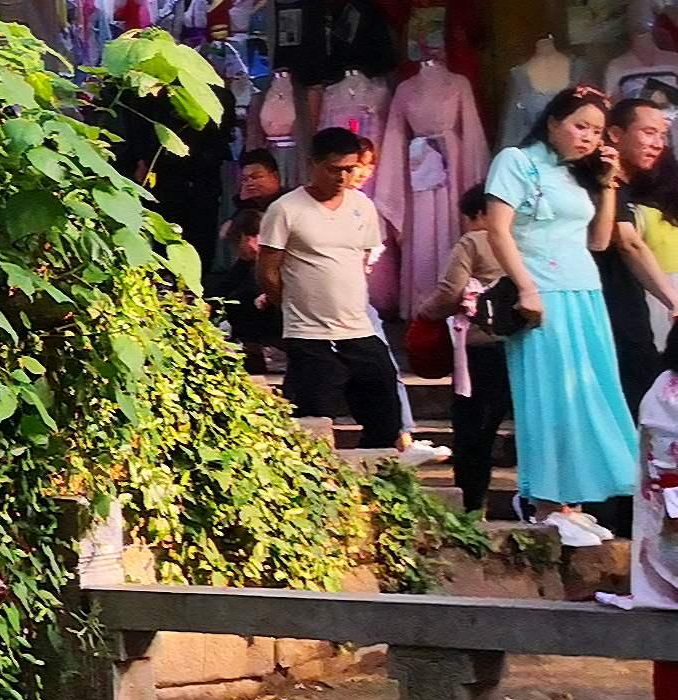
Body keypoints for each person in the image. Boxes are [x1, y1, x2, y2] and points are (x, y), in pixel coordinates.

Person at [472, 86, 678, 546]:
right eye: (579, 126)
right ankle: (546, 503)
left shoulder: (576, 176)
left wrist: (606, 184)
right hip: (543, 294)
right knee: (549, 399)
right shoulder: (516, 161)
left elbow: (600, 242)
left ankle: (574, 505)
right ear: (552, 122)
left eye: (597, 131)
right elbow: (498, 230)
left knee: (590, 397)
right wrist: (525, 287)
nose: (587, 137)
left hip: (586, 293)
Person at [255, 128, 401, 450]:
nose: (343, 176)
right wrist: (292, 304)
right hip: (309, 334)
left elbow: (363, 259)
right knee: (311, 421)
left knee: (385, 410)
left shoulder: (362, 206)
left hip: (358, 328)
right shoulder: (285, 209)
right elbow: (267, 269)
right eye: (334, 169)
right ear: (313, 164)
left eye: (350, 169)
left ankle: (379, 480)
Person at [423, 191, 516, 519]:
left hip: (481, 343)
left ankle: (472, 501)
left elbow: (451, 291)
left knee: (473, 425)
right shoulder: (525, 240)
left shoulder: (474, 241)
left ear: (478, 214)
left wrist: (425, 313)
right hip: (521, 343)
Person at [606, 91, 678, 418]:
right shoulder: (604, 183)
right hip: (607, 308)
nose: (658, 143)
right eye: (648, 132)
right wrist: (673, 299)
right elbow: (628, 243)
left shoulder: (636, 187)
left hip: (632, 306)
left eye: (662, 135)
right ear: (615, 134)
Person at [207, 150, 288, 366]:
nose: (250, 183)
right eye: (245, 179)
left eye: (256, 177)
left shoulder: (287, 207)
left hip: (284, 278)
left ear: (275, 177)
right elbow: (229, 235)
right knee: (227, 294)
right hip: (253, 272)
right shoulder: (247, 209)